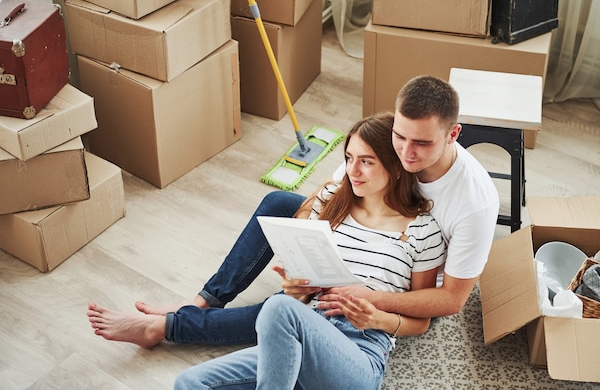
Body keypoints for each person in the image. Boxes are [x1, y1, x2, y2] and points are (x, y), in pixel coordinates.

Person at [86, 75, 498, 347]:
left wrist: (372, 297)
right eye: (399, 137)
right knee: (279, 206)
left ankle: (173, 327)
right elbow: (337, 194)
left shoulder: (474, 202)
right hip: (369, 234)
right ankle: (202, 302)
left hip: (406, 276)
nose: (406, 152)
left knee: (295, 312)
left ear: (453, 134)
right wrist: (305, 252)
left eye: (421, 144)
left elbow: (450, 300)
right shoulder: (392, 141)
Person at [173, 112, 445, 389]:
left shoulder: (423, 230)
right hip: (299, 332)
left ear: (396, 167)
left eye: (367, 161)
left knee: (279, 306)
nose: (353, 171)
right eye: (349, 158)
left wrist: (379, 318)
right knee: (189, 382)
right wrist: (298, 290)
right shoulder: (330, 201)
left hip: (360, 351)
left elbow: (420, 321)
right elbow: (301, 298)